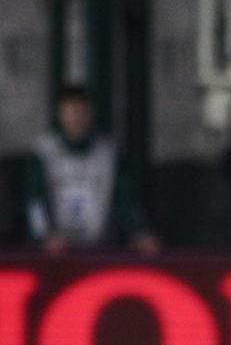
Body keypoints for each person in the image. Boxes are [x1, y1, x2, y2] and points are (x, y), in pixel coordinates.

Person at [25, 85, 159, 254]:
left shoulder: (109, 153)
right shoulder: (45, 153)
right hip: (57, 251)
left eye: (82, 112)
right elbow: (35, 202)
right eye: (71, 113)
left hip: (101, 251)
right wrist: (44, 235)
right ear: (60, 115)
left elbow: (126, 201)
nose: (77, 119)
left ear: (91, 114)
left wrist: (139, 232)